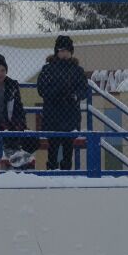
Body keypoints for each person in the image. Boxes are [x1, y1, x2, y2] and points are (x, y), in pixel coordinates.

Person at [36, 34, 87, 170]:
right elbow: (42, 89)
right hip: (53, 114)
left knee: (68, 149)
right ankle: (51, 171)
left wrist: (75, 96)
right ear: (57, 52)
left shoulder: (77, 70)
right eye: (61, 51)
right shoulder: (48, 69)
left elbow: (84, 89)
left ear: (71, 52)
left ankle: (66, 173)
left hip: (70, 115)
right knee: (52, 148)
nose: (64, 54)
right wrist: (56, 93)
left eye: (67, 51)